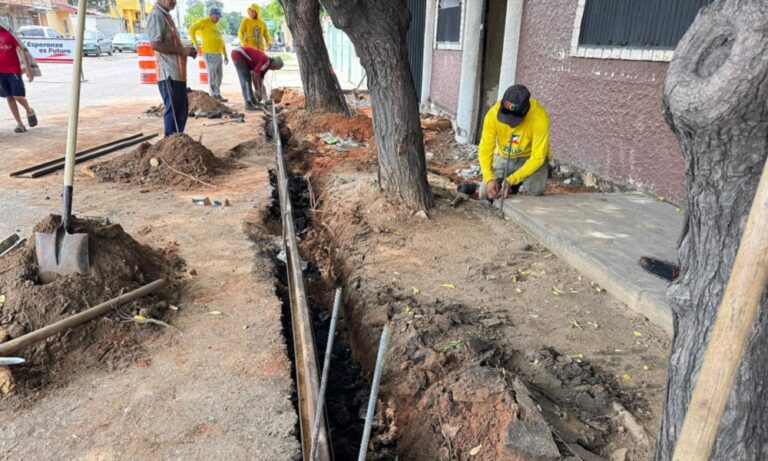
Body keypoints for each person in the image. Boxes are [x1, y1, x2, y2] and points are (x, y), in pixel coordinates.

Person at [479, 84, 552, 200]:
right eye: (507, 117)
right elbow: (485, 149)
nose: (510, 123)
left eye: (514, 119)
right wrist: (489, 178)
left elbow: (537, 157)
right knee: (485, 193)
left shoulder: (539, 116)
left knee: (535, 190)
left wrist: (511, 180)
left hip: (529, 158)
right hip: (505, 157)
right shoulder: (492, 115)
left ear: (525, 111)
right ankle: (513, 186)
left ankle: (519, 182)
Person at [146, 0, 197, 137]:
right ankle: (170, 142)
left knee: (181, 110)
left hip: (177, 73)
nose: (174, 2)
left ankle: (176, 143)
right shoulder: (156, 15)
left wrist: (186, 50)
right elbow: (155, 44)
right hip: (168, 73)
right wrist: (182, 51)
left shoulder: (166, 16)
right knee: (174, 112)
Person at [0, 23, 37, 133]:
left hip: (13, 71)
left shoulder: (10, 35)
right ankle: (19, 123)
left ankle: (29, 111)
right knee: (9, 98)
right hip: (1, 73)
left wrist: (28, 69)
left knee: (17, 96)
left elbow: (21, 52)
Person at [189, 6, 228, 102]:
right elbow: (191, 29)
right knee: (213, 75)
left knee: (219, 75)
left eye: (219, 17)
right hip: (209, 53)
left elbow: (221, 41)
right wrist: (196, 44)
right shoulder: (204, 21)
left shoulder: (217, 26)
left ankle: (217, 94)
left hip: (218, 53)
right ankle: (214, 95)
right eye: (216, 16)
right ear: (210, 15)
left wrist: (225, 54)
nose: (218, 19)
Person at [231, 46, 283, 111]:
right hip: (238, 54)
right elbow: (255, 75)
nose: (274, 70)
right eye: (275, 68)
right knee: (246, 78)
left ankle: (253, 101)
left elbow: (260, 78)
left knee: (248, 78)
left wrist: (260, 91)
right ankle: (248, 103)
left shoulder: (266, 66)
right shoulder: (266, 61)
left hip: (240, 55)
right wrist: (257, 90)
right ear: (274, 64)